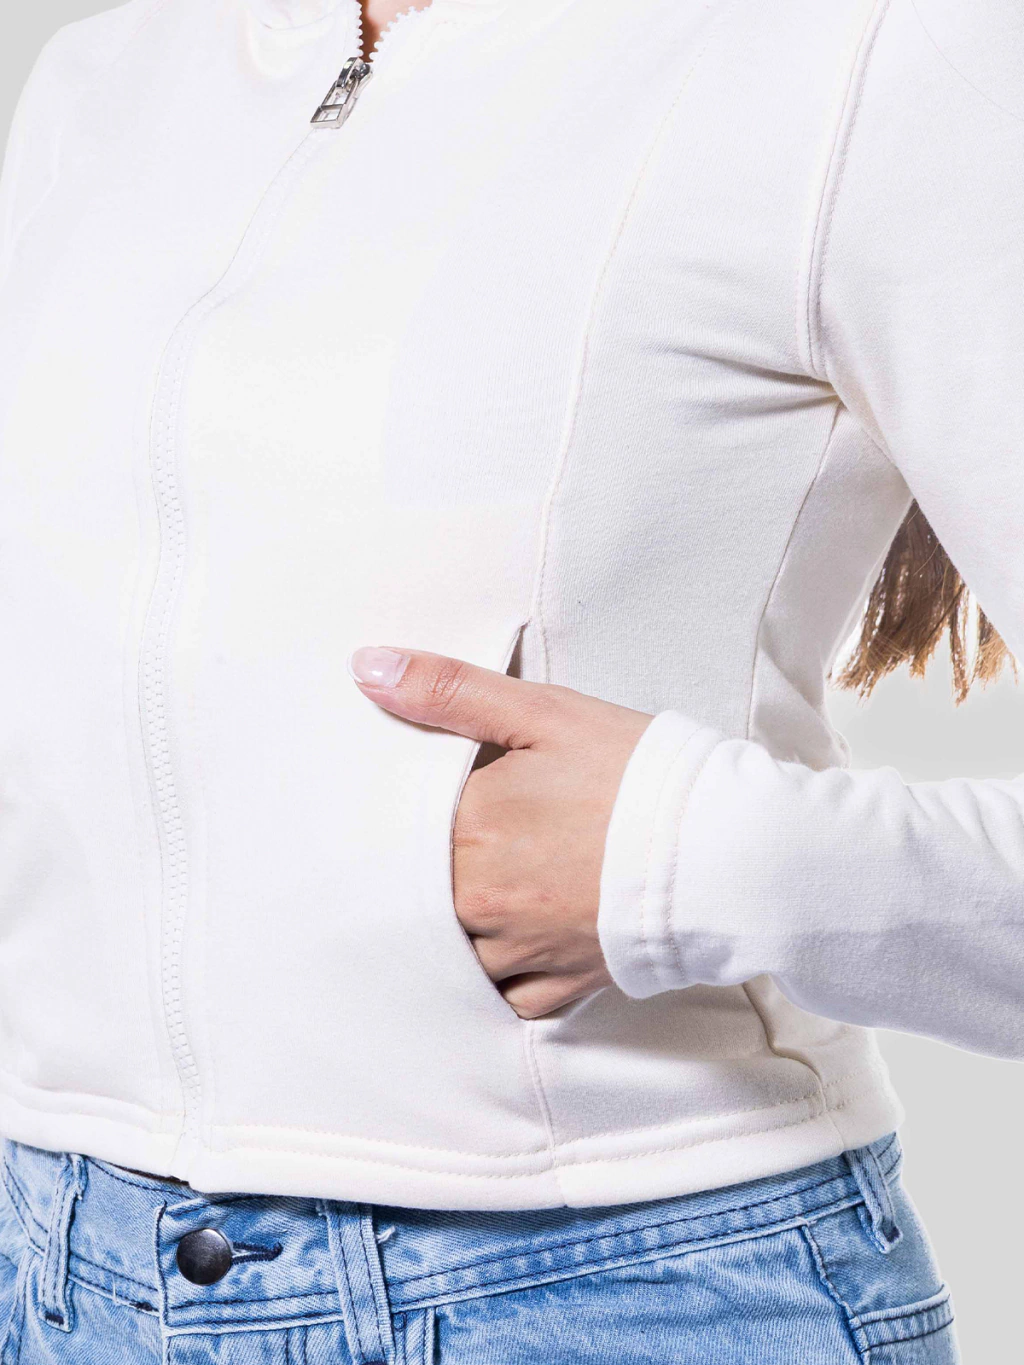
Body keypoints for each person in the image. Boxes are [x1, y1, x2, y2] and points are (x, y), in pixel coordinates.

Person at [0, 0, 1019, 1358]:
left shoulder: (870, 56)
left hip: (615, 1288)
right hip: (58, 1263)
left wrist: (692, 858)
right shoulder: (104, 71)